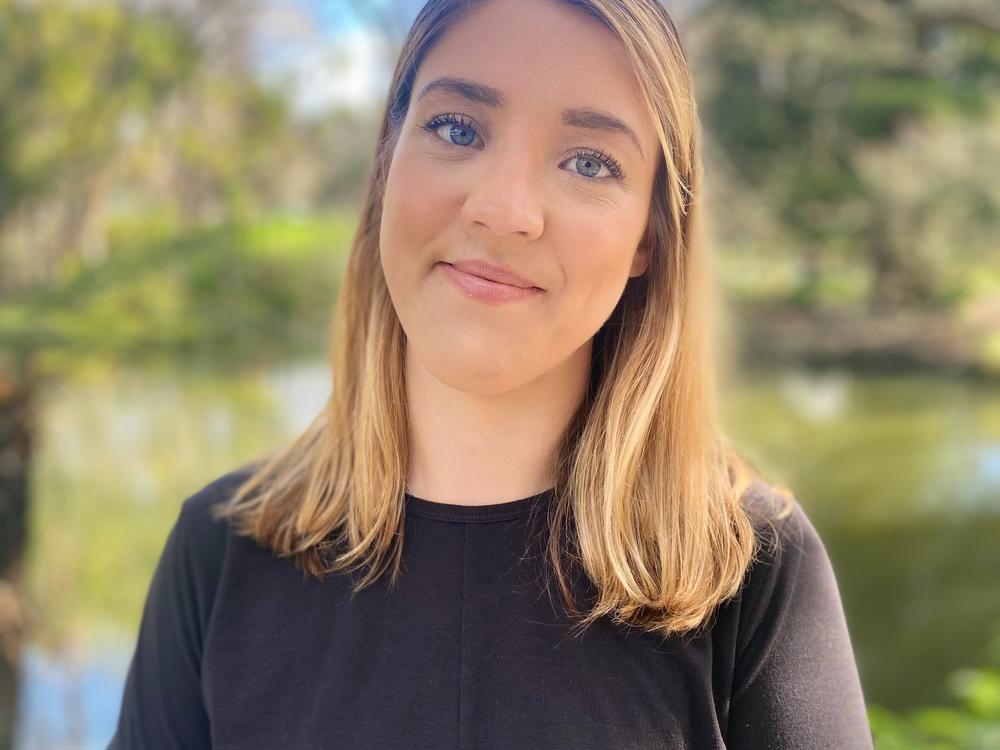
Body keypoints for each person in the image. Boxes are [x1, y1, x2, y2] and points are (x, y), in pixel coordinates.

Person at [108, 0, 874, 747]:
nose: (505, 210)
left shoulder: (752, 571)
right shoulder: (219, 553)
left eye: (589, 162)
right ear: (386, 162)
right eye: (457, 128)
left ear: (649, 235)